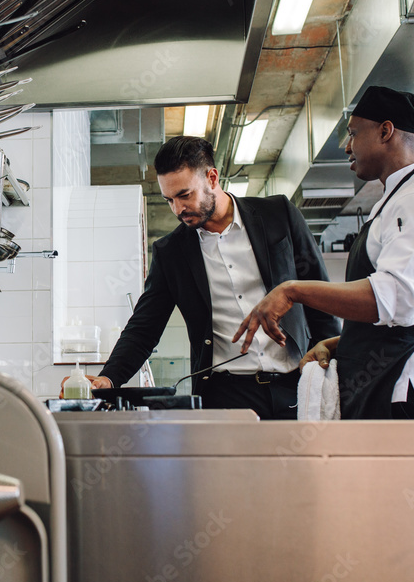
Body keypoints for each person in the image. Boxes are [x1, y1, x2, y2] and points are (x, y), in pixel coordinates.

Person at [234, 86, 414, 419]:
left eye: (352, 134)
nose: (347, 146)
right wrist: (336, 344)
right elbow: (392, 317)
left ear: (385, 131)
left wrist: (292, 290)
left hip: (412, 391)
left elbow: (399, 300)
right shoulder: (394, 202)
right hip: (383, 387)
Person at [61, 136, 340, 420]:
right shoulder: (171, 252)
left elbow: (320, 296)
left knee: (304, 464)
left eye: (184, 195)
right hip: (226, 394)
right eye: (169, 200)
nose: (177, 209)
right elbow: (144, 328)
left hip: (297, 382)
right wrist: (108, 378)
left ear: (212, 178)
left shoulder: (277, 215)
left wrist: (337, 367)